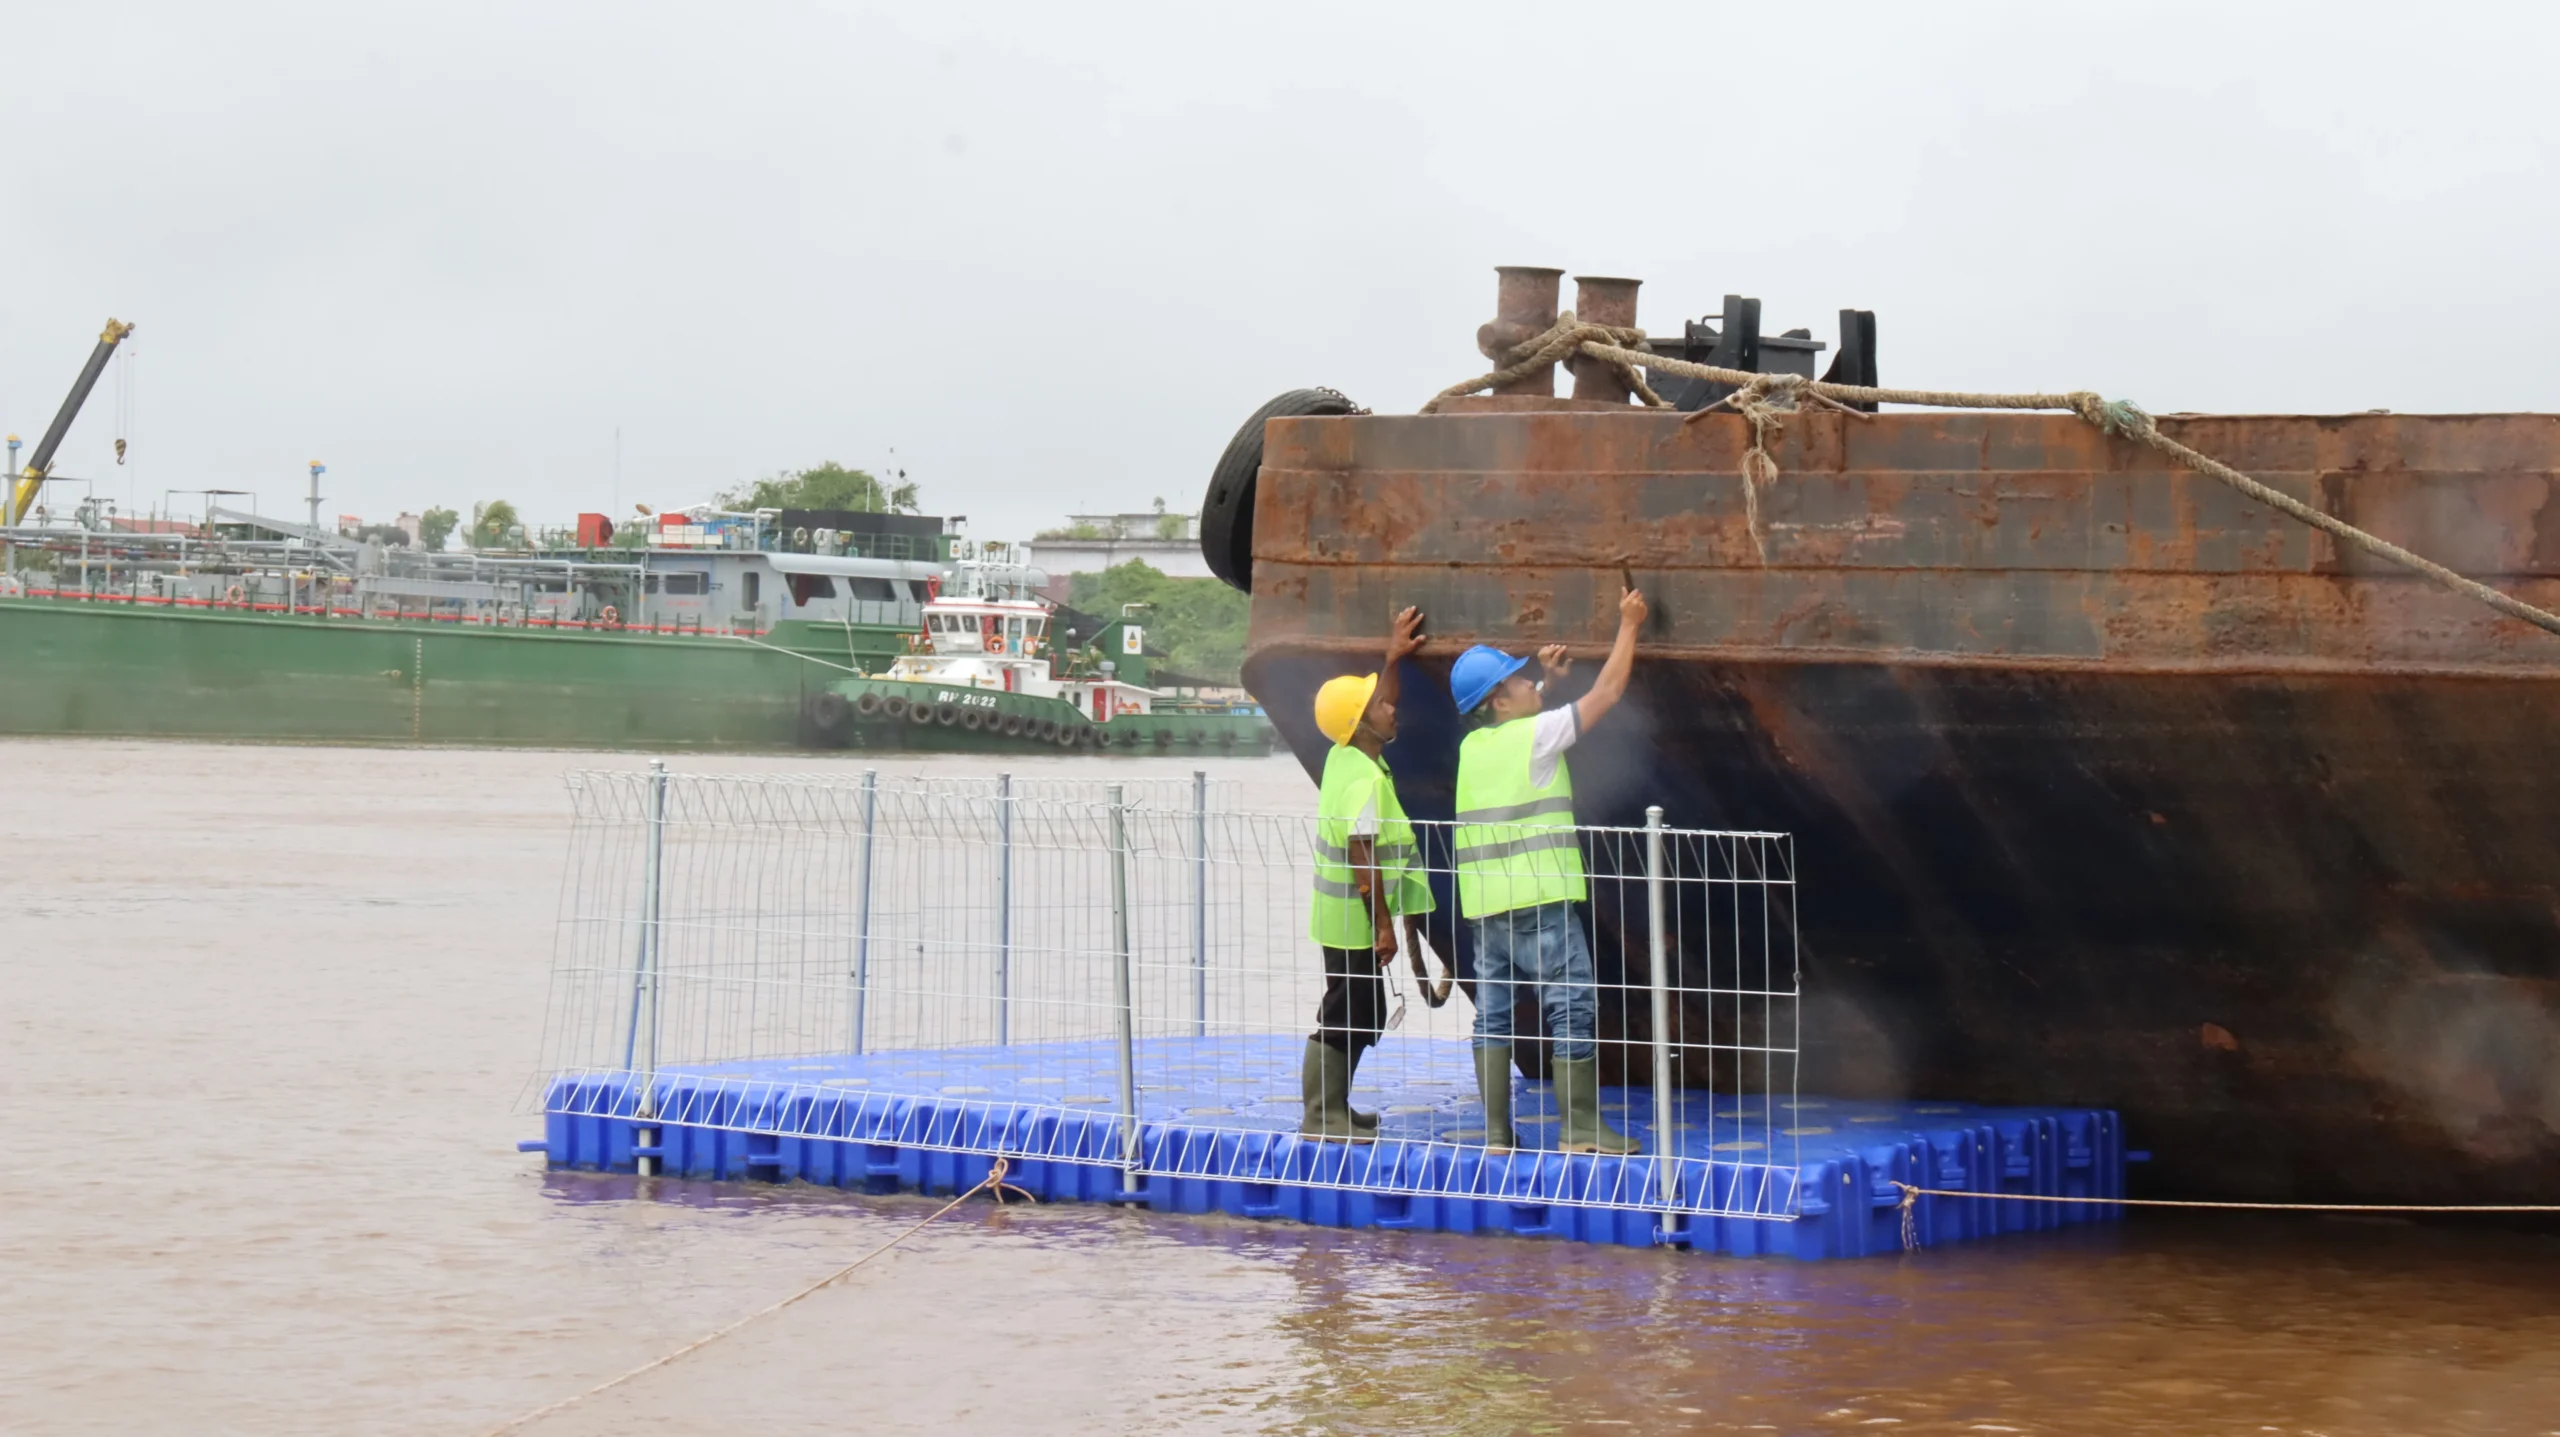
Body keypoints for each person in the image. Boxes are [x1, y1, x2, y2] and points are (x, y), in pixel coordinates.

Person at [1446, 586, 1648, 1154]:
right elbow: (1607, 692)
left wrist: (1546, 687)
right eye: (1517, 679)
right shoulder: (1537, 736)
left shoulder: (1474, 748)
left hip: (1486, 908)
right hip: (1541, 904)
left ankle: (1495, 1133)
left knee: (1493, 1017)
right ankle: (1580, 1128)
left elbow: (1522, 731)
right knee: (1571, 1007)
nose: (1528, 678)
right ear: (1499, 701)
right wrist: (1629, 623)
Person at [1301, 605, 1435, 1141]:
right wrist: (1383, 925)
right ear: (1361, 724)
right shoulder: (1363, 779)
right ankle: (1321, 1114)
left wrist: (1393, 658)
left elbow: (1379, 705)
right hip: (1354, 918)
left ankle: (1336, 1106)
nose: (1392, 708)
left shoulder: (1346, 755)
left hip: (1338, 917)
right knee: (1345, 1010)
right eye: (1380, 705)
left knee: (1361, 1009)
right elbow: (1363, 855)